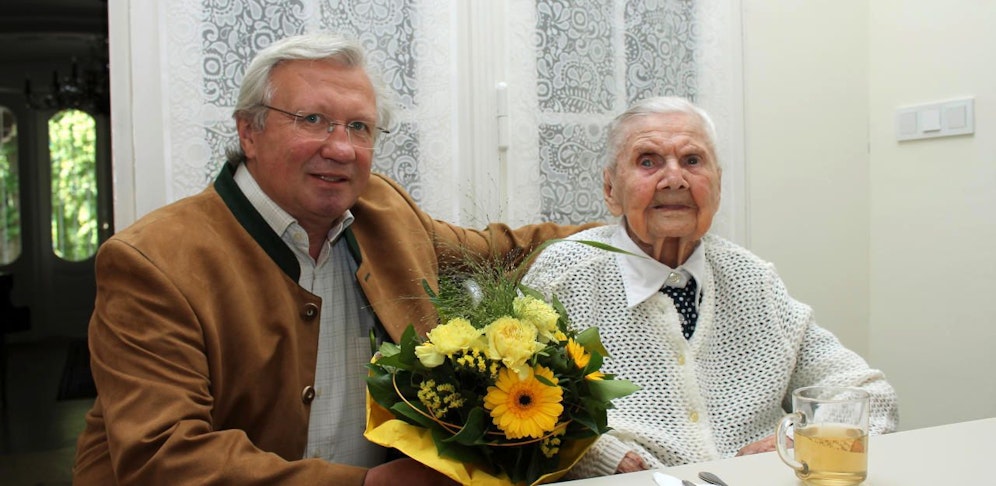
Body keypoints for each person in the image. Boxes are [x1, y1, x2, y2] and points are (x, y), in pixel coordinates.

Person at [73, 32, 587, 485]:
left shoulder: (384, 213)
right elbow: (163, 457)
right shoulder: (151, 262)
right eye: (313, 120)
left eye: (360, 127)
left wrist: (634, 227)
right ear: (248, 132)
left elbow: (503, 252)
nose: (342, 149)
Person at [521, 96, 899, 477]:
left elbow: (866, 393)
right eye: (648, 161)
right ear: (610, 189)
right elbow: (506, 400)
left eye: (692, 161)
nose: (674, 179)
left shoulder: (754, 279)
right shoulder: (563, 274)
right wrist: (592, 452)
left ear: (717, 183)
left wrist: (796, 439)